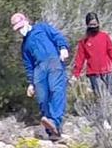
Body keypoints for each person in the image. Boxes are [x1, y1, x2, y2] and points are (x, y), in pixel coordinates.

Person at [11, 12, 70, 141]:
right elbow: (28, 66)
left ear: (26, 21)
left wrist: (63, 48)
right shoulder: (24, 46)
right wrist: (31, 83)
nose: (21, 31)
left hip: (53, 61)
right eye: (18, 29)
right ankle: (51, 130)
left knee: (56, 90)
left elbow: (57, 36)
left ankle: (55, 122)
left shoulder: (42, 28)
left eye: (21, 27)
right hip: (39, 69)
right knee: (42, 98)